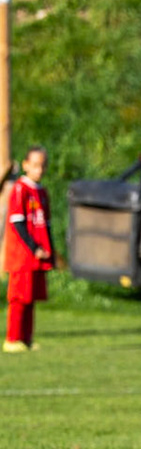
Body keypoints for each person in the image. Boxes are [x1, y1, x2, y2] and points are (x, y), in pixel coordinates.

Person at [3, 147, 55, 354]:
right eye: (34, 165)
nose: (39, 170)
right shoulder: (20, 189)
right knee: (19, 299)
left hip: (37, 256)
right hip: (22, 256)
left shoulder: (42, 192)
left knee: (31, 298)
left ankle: (26, 338)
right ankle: (12, 338)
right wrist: (34, 247)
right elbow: (18, 223)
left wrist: (49, 250)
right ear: (25, 165)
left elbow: (46, 224)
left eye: (42, 165)